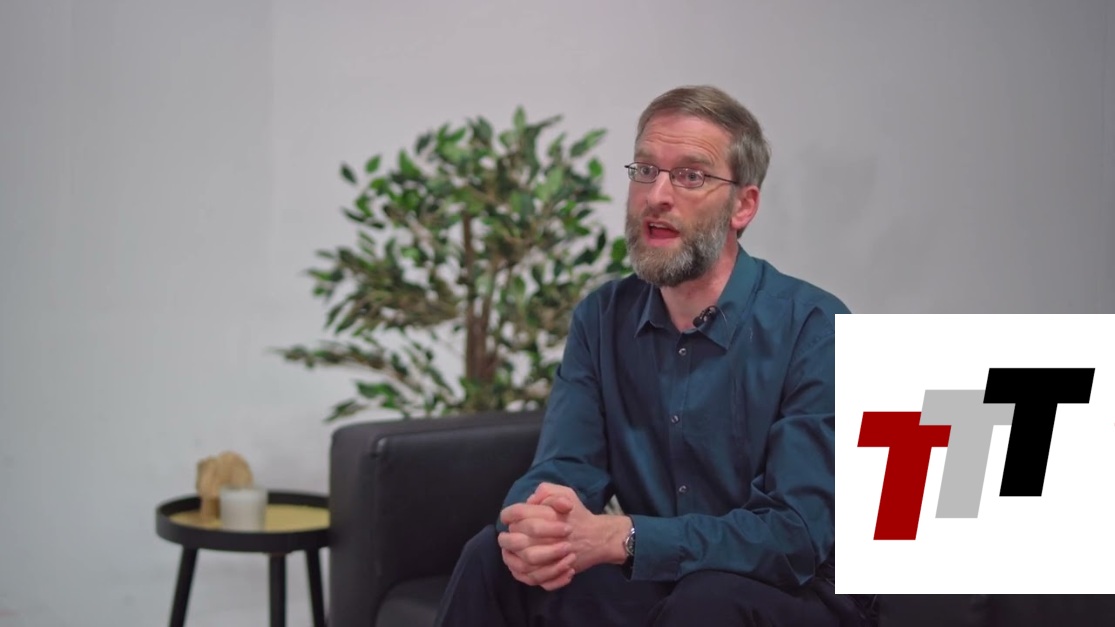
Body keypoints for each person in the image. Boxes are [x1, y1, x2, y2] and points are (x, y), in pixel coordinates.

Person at [433, 85, 866, 627]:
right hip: (664, 578)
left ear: (743, 205)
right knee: (493, 557)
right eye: (645, 170)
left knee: (706, 601)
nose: (656, 195)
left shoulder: (816, 326)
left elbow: (794, 535)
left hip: (793, 592)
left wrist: (628, 536)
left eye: (691, 176)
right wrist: (536, 523)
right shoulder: (602, 316)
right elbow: (567, 466)